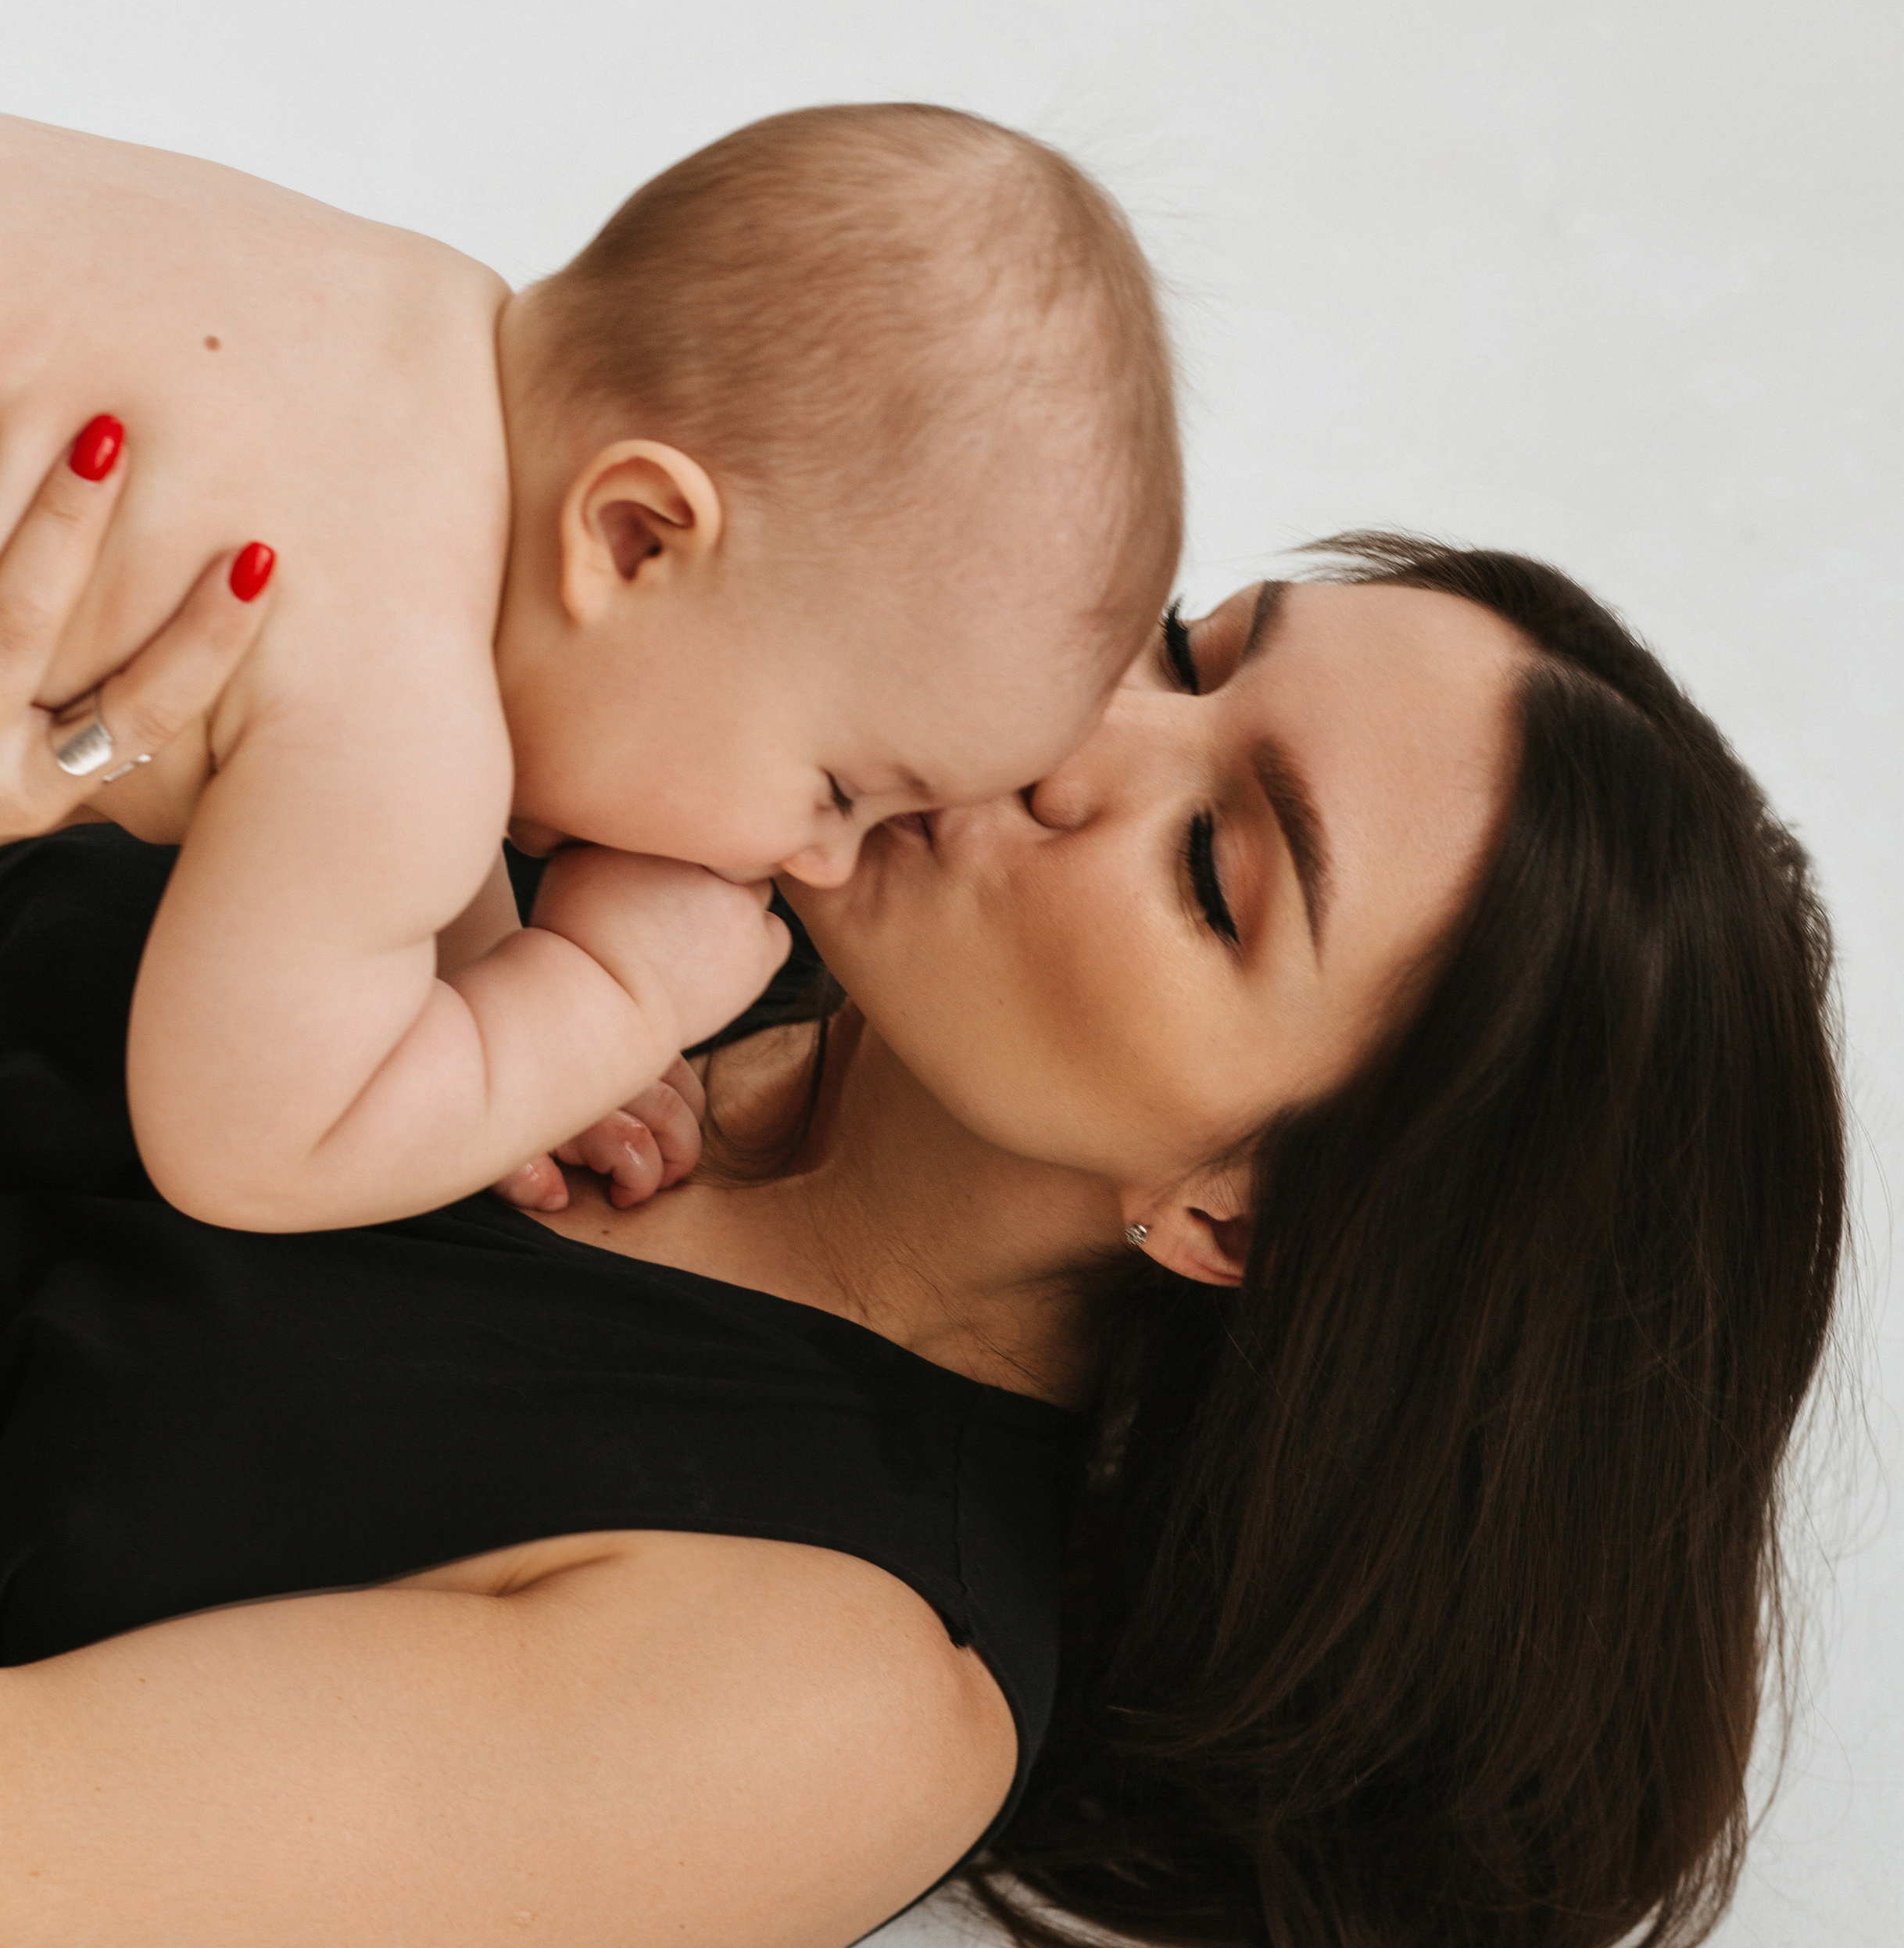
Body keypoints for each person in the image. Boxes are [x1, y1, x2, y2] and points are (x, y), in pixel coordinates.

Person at [0, 467, 1843, 1948]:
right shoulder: (669, 829)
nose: (1073, 732)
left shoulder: (828, 1702)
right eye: (1181, 649)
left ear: (1236, 1214)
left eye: (1212, 867)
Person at [0, 102, 1178, 1234]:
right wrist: (603, 997)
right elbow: (250, 1146)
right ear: (636, 537)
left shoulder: (416, 307)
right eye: (841, 791)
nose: (819, 862)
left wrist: (481, 997)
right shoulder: (405, 724)